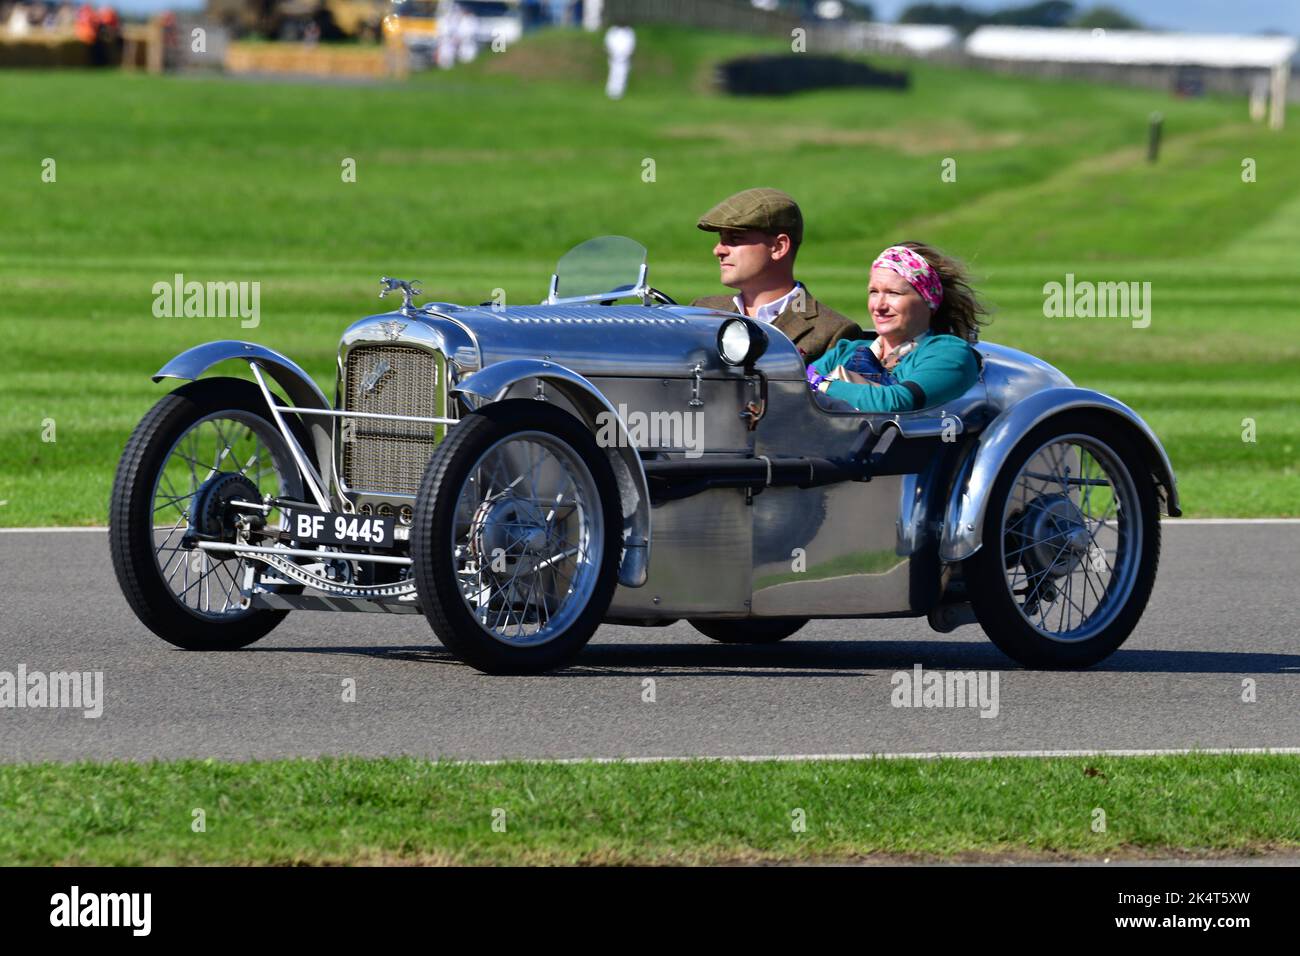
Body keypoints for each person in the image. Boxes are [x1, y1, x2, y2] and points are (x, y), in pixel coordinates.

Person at [807, 242, 984, 413]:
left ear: (929, 299)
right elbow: (791, 388)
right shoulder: (844, 351)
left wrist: (820, 383)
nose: (879, 306)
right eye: (874, 292)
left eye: (893, 293)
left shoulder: (948, 352)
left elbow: (895, 402)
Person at [691, 187, 860, 364]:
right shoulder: (701, 311)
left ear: (779, 247)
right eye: (720, 238)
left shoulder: (834, 332)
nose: (718, 250)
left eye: (735, 239)